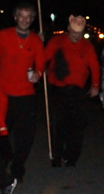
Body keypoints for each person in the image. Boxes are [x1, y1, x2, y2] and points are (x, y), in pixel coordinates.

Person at [0, 3, 45, 185]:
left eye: (28, 16)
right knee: (1, 133)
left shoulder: (36, 40)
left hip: (26, 95)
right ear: (15, 17)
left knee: (26, 137)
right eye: (21, 15)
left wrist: (37, 74)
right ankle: (1, 162)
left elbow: (40, 64)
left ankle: (17, 168)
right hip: (3, 94)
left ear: (32, 19)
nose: (24, 19)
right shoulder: (4, 35)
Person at [43, 14, 100, 167]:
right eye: (74, 33)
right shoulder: (57, 41)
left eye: (79, 34)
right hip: (59, 87)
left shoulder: (87, 46)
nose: (76, 36)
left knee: (77, 124)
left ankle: (72, 155)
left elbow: (94, 66)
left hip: (78, 90)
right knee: (59, 123)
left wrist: (95, 85)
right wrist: (39, 69)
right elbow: (44, 58)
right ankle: (56, 155)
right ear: (68, 29)